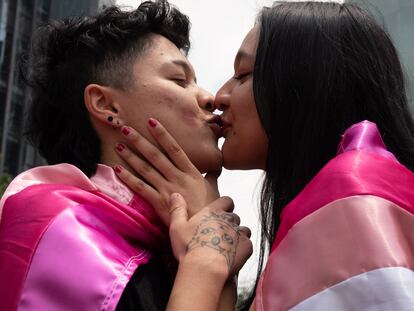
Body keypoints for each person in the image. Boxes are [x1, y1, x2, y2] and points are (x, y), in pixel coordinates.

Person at [114, 1, 414, 310]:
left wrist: (206, 258)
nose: (217, 97)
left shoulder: (355, 201)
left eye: (243, 75)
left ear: (305, 82)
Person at [0, 1, 252, 310]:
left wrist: (212, 253)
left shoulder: (174, 242)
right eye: (179, 80)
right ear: (106, 105)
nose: (210, 98)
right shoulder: (57, 227)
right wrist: (207, 262)